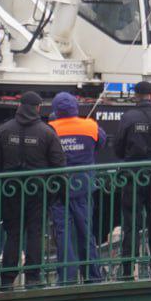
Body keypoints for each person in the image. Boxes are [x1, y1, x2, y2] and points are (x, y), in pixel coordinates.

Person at [0, 91, 66, 289]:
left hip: (11, 189)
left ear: (19, 106)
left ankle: (7, 279)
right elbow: (59, 164)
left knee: (13, 234)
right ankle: (33, 276)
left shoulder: (4, 130)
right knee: (35, 232)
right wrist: (55, 192)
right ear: (38, 108)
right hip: (38, 191)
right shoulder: (47, 132)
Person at [114, 80, 151, 278]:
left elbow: (118, 149)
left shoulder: (128, 117)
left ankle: (127, 268)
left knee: (132, 223)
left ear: (136, 96)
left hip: (133, 176)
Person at [48, 92, 106, 283]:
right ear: (75, 107)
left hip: (58, 188)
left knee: (63, 233)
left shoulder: (50, 129)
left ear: (56, 110)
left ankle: (66, 277)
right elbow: (102, 143)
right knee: (85, 231)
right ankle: (92, 275)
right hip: (84, 186)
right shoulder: (90, 126)